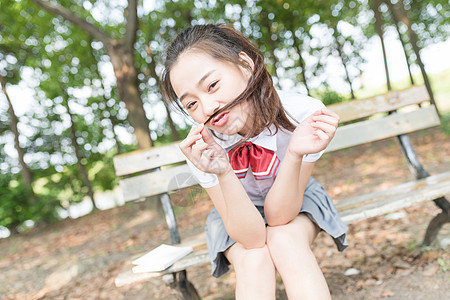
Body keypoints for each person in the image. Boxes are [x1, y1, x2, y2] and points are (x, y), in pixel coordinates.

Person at [160, 23, 348, 299]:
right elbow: (251, 238)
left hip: (296, 196)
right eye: (191, 104)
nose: (208, 107)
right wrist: (223, 173)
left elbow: (280, 217)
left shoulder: (301, 114)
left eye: (212, 85)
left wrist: (295, 154)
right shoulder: (203, 148)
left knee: (285, 240)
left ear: (245, 66)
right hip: (234, 209)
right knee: (253, 258)